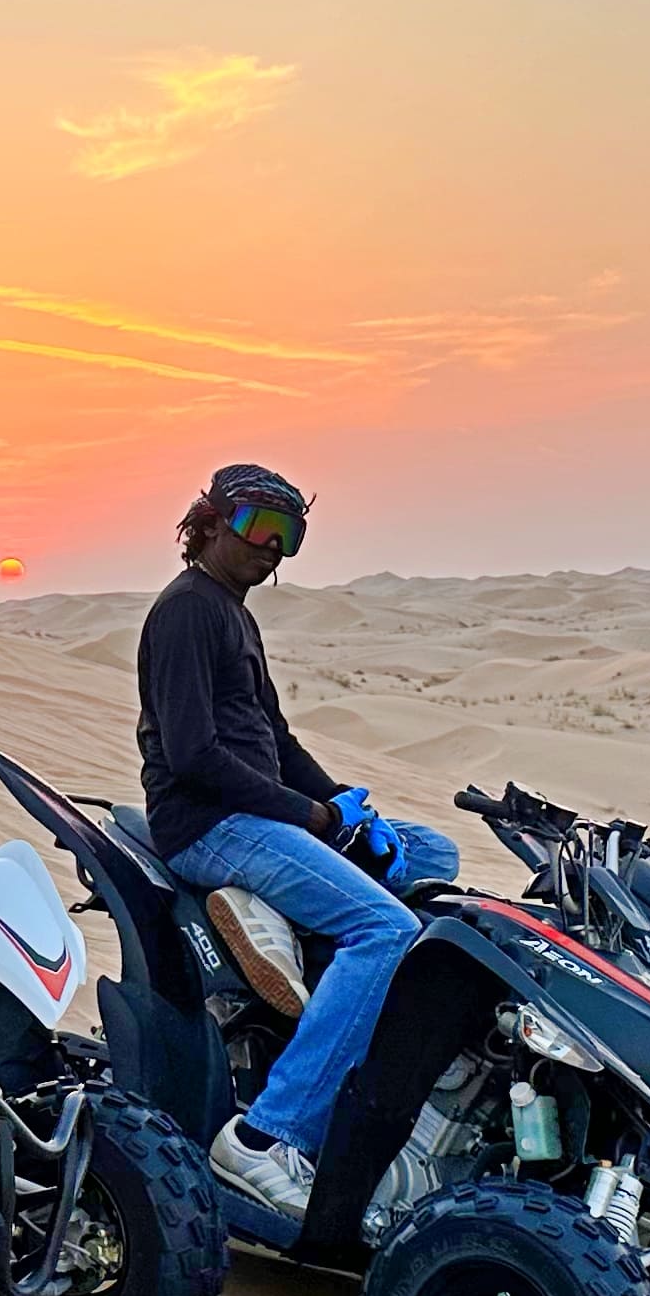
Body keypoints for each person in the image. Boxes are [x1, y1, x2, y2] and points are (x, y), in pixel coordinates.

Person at [137, 461, 458, 1226]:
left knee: (433, 855)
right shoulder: (188, 611)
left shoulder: (233, 613)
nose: (271, 548)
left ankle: (294, 937)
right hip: (210, 825)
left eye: (291, 535)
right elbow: (193, 757)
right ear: (208, 523)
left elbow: (272, 738)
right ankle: (268, 1133)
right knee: (386, 927)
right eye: (257, 527)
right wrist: (308, 819)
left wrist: (343, 808)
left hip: (262, 815)